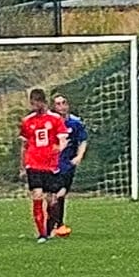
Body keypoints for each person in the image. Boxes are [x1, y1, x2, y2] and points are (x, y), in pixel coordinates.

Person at [19, 88, 68, 242]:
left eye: (35, 103)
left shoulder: (55, 119)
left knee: (52, 199)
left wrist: (59, 148)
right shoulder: (28, 121)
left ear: (42, 102)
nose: (33, 106)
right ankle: (41, 234)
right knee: (37, 195)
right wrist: (22, 165)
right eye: (31, 103)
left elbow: (63, 140)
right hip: (33, 163)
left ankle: (49, 227)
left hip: (50, 165)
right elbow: (24, 145)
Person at [48, 93, 88, 237]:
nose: (62, 106)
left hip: (67, 164)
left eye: (64, 102)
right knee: (54, 194)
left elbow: (83, 140)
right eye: (58, 104)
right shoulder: (50, 123)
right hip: (51, 163)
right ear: (53, 107)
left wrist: (79, 156)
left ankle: (55, 223)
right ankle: (56, 224)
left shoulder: (75, 122)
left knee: (61, 194)